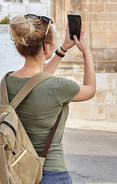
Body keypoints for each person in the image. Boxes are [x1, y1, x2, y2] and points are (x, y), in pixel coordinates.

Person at [7, 14, 96, 184]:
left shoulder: (8, 80)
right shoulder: (58, 87)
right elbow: (90, 90)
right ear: (47, 48)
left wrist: (62, 49)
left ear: (20, 48)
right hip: (51, 173)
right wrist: (86, 51)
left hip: (17, 171)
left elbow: (36, 82)